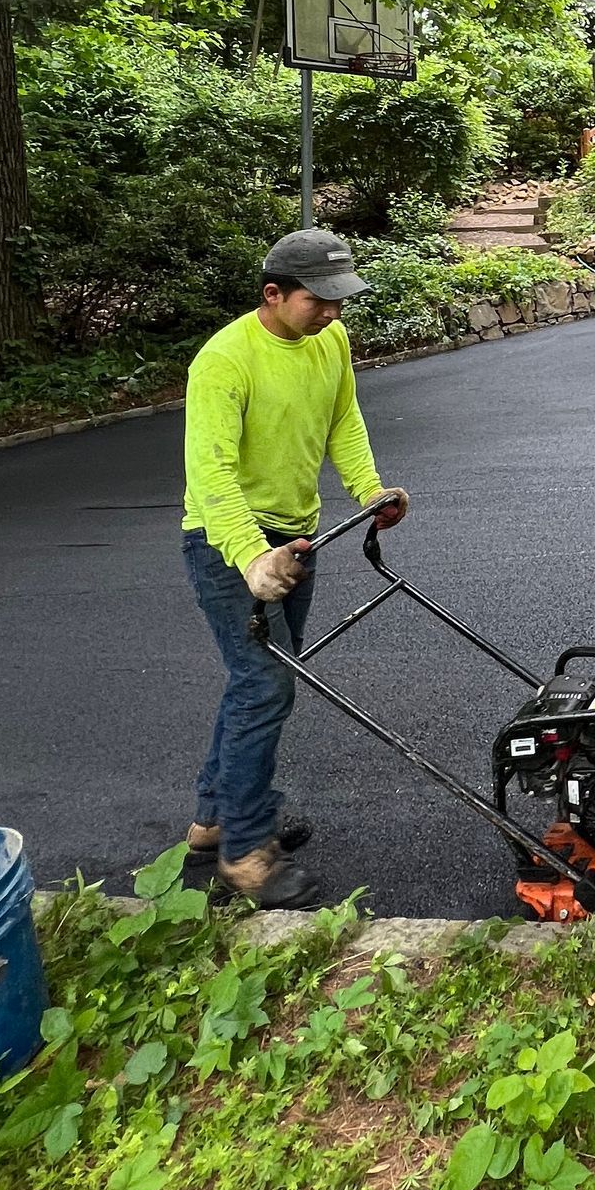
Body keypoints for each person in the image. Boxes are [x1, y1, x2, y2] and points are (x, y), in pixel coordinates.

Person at [181, 228, 408, 910]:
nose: (333, 314)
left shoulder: (328, 341)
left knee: (258, 681)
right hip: (225, 545)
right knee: (265, 684)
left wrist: (370, 491)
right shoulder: (222, 361)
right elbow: (211, 474)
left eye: (342, 301)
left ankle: (213, 823)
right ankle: (245, 853)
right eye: (319, 301)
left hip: (297, 537)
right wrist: (252, 555)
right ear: (272, 295)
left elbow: (343, 417)